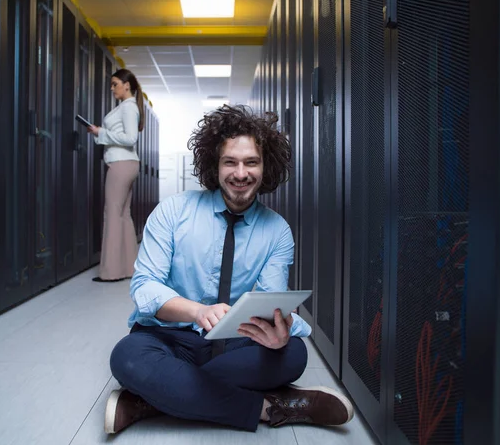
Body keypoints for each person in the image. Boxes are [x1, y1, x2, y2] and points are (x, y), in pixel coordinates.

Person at [104, 105, 354, 434]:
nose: (240, 173)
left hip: (236, 344)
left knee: (293, 353)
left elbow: (269, 302)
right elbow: (145, 287)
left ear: (266, 167)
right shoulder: (173, 212)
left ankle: (151, 399)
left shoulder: (277, 231)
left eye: (251, 162)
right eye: (230, 162)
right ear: (215, 165)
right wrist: (196, 311)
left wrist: (279, 331)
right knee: (128, 356)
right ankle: (269, 408)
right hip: (170, 339)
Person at [87, 69, 143, 282]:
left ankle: (111, 272)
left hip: (120, 164)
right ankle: (130, 268)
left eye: (115, 84)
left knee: (112, 213)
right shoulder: (127, 107)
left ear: (126, 85)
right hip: (128, 164)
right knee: (123, 214)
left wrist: (100, 132)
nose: (112, 88)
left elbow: (130, 138)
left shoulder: (128, 108)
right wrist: (99, 132)